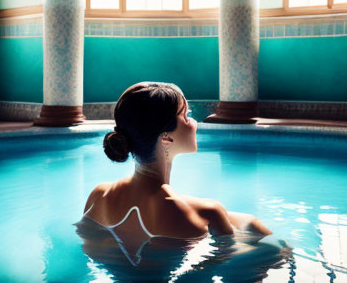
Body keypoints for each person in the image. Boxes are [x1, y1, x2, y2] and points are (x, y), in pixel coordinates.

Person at [81, 81, 272, 249]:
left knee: (250, 223)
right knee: (271, 248)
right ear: (166, 137)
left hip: (124, 281)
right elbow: (231, 264)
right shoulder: (206, 213)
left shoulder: (99, 196)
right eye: (186, 117)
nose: (194, 123)